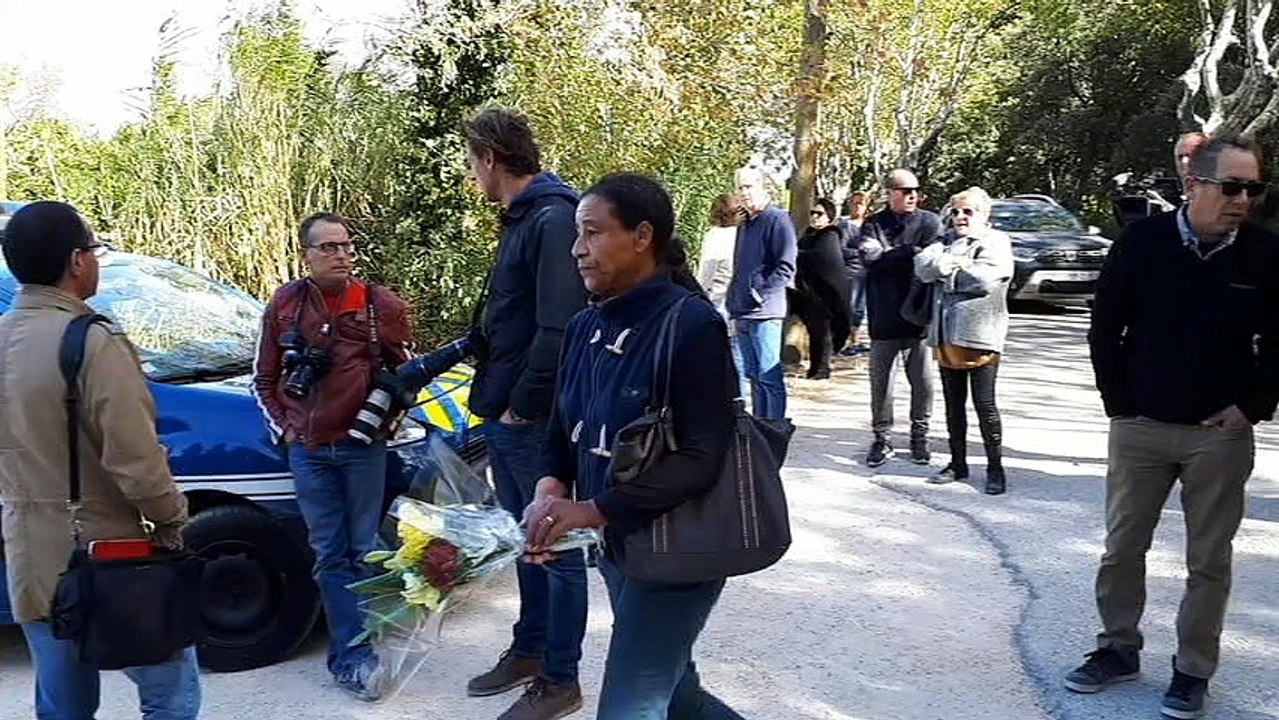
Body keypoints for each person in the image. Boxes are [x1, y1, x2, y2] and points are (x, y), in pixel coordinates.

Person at [1068, 135, 1279, 720]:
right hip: (1140, 426)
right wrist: (1119, 404)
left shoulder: (1266, 253)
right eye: (1231, 187)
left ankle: (1192, 672)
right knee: (1120, 549)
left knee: (1208, 560)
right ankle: (1117, 649)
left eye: (1253, 188)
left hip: (1220, 435)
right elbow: (1105, 325)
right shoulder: (1143, 243)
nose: (1244, 199)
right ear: (1193, 185)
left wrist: (1252, 406)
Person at [524, 172, 743, 720]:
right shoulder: (583, 326)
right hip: (619, 547)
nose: (578, 249)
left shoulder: (691, 325)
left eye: (593, 233)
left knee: (630, 707)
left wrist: (590, 510)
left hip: (676, 550)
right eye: (580, 234)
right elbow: (561, 430)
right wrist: (550, 495)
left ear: (642, 236)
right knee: (676, 693)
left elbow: (701, 457)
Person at [0, 201, 199, 719]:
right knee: (170, 693)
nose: (96, 261)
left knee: (63, 704)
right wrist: (173, 517)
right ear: (75, 261)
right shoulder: (90, 341)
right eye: (94, 249)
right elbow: (136, 462)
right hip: (112, 554)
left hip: (29, 555)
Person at [251, 212, 414, 700]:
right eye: (327, 247)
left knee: (362, 551)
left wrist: (383, 424)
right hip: (309, 450)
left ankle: (358, 653)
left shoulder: (378, 305)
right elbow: (263, 379)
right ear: (305, 255)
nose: (340, 254)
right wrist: (287, 429)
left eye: (345, 245)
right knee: (329, 554)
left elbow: (406, 376)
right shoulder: (284, 306)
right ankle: (351, 657)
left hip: (363, 449)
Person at [460, 107, 589, 720]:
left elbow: (558, 326)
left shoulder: (552, 217)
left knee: (556, 548)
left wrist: (521, 407)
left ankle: (561, 678)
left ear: (489, 157)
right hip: (507, 411)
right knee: (526, 545)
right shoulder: (524, 218)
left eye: (471, 161)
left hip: (532, 421)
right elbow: (510, 317)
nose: (471, 173)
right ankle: (531, 650)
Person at [913, 187, 1013, 495]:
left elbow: (983, 280)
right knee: (953, 405)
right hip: (945, 336)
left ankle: (995, 468)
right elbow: (921, 268)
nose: (960, 217)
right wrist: (950, 263)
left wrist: (946, 270)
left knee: (985, 405)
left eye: (967, 211)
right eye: (955, 211)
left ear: (984, 214)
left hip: (980, 337)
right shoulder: (944, 240)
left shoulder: (996, 241)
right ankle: (958, 463)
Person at [859, 169, 942, 468]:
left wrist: (893, 255)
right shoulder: (873, 224)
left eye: (915, 191)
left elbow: (930, 264)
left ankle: (920, 438)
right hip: (883, 315)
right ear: (890, 192)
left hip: (919, 316)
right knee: (881, 384)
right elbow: (871, 259)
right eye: (904, 190)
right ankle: (881, 438)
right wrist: (909, 251)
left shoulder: (930, 222)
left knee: (923, 383)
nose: (911, 195)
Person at [726, 167, 797, 419]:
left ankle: (774, 431)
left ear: (762, 186)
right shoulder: (745, 223)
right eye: (740, 187)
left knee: (769, 376)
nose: (744, 192)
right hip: (742, 310)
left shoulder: (777, 219)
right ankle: (759, 430)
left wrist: (759, 293)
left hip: (765, 311)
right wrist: (734, 298)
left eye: (749, 186)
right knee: (753, 375)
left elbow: (786, 266)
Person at [793, 197, 852, 379]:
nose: (815, 217)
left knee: (823, 332)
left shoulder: (830, 236)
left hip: (827, 294)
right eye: (812, 213)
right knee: (814, 331)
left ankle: (822, 369)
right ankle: (814, 368)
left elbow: (823, 261)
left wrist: (797, 256)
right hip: (810, 293)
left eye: (819, 214)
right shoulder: (809, 235)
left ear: (829, 217)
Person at [696, 193, 742, 318]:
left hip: (719, 302)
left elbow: (706, 273)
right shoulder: (745, 235)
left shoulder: (715, 237)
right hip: (742, 302)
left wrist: (697, 296)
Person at [838, 190, 872, 356]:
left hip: (869, 272)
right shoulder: (843, 226)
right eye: (855, 202)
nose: (858, 206)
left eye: (862, 203)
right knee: (851, 306)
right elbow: (841, 249)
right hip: (851, 272)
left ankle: (856, 340)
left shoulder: (871, 224)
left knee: (861, 308)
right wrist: (861, 251)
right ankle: (845, 340)